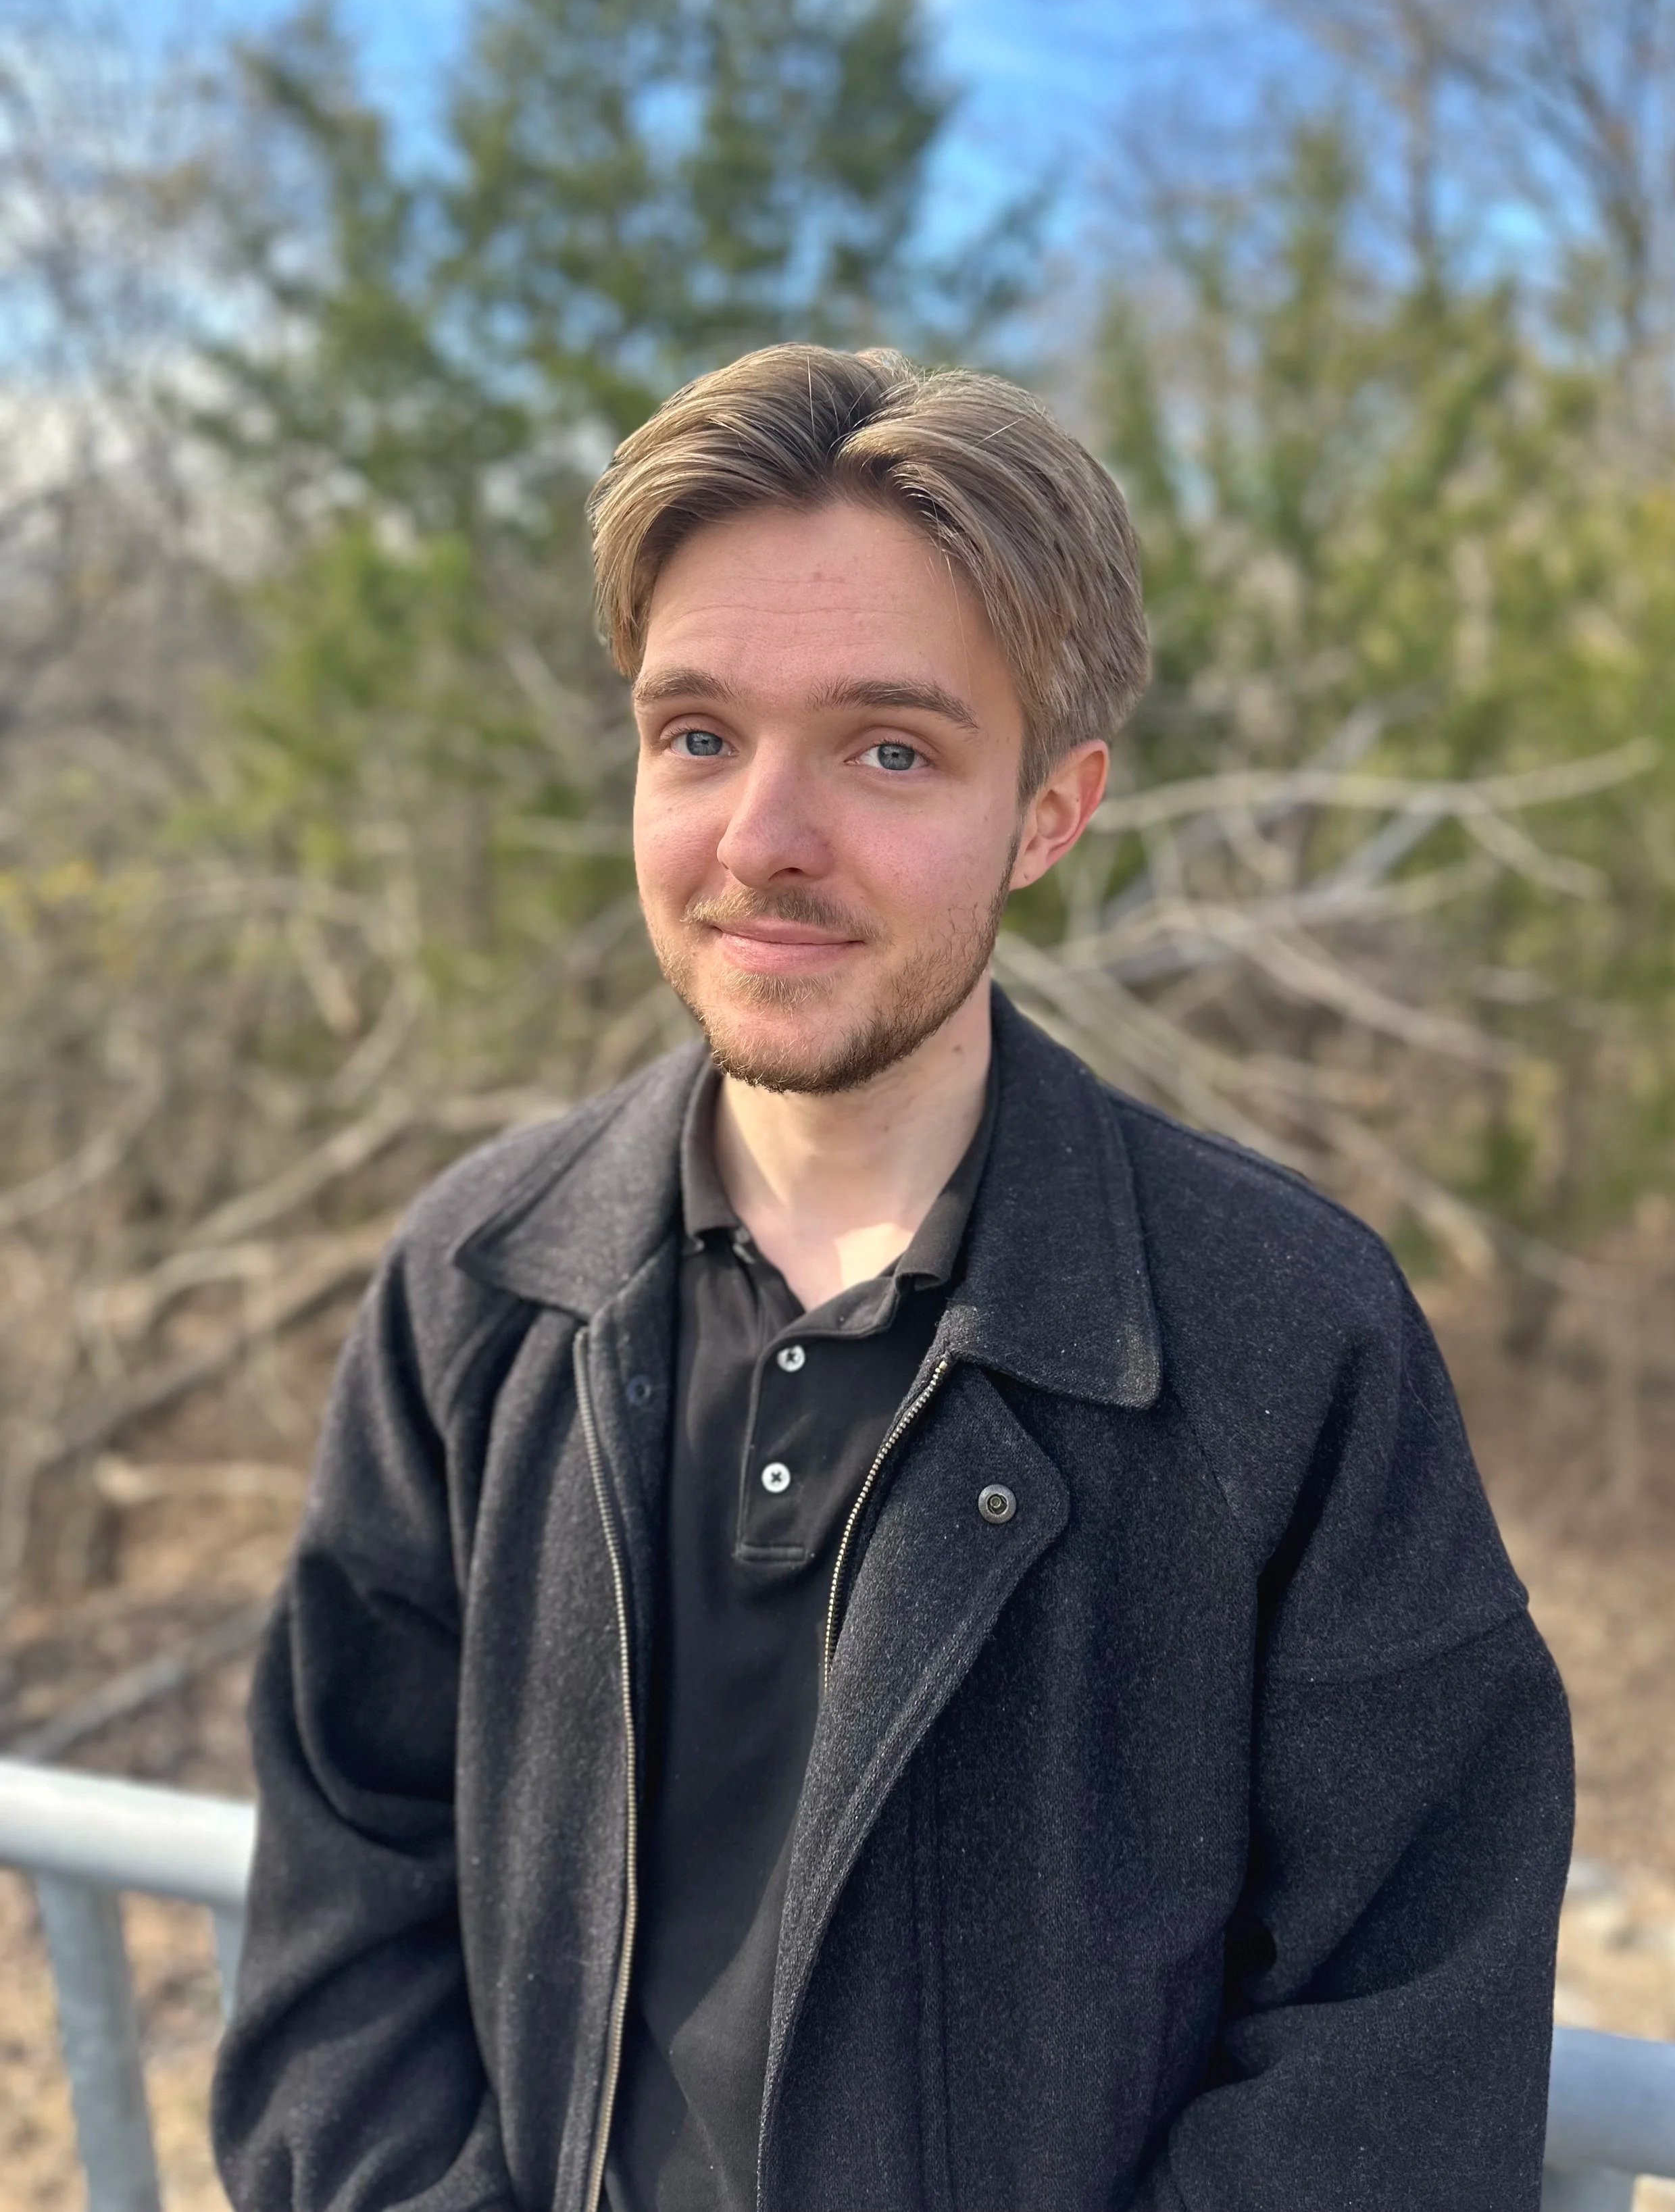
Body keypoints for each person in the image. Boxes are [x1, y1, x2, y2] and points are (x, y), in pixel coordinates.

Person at [211, 345, 1574, 2212]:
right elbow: (341, 1907)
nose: (762, 839)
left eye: (886, 748)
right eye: (695, 734)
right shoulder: (479, 1288)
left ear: (1050, 812)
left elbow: (1398, 2034)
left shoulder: (1283, 1338)